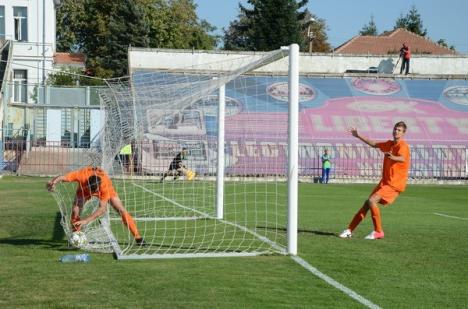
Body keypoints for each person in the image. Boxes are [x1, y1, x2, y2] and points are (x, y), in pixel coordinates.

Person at [339, 121, 410, 240]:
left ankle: (378, 231)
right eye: (395, 129)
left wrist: (393, 157)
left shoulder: (403, 146)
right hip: (385, 182)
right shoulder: (389, 144)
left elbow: (403, 158)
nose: (396, 131)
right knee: (367, 204)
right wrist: (358, 135)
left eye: (399, 130)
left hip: (394, 184)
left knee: (372, 201)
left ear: (403, 133)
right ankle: (349, 230)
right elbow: (373, 144)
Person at [47, 166, 145, 245]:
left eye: (95, 190)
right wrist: (53, 182)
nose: (93, 192)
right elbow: (62, 177)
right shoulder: (81, 175)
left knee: (121, 210)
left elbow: (102, 209)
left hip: (107, 191)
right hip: (83, 192)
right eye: (92, 189)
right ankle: (76, 235)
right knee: (75, 210)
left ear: (99, 186)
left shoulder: (104, 186)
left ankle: (138, 237)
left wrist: (86, 220)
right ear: (87, 183)